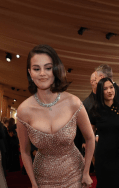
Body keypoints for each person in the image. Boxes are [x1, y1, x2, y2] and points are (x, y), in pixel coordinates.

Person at [16, 44, 95, 188]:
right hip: (42, 179)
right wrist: (33, 183)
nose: (42, 73)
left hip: (75, 175)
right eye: (36, 69)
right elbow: (25, 151)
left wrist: (86, 172)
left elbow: (90, 138)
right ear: (30, 72)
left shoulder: (73, 102)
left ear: (56, 69)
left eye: (48, 67)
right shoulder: (23, 111)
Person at [90, 77, 119, 188]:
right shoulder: (95, 111)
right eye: (105, 89)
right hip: (103, 156)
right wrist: (91, 157)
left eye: (111, 87)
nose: (109, 91)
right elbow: (90, 136)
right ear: (100, 92)